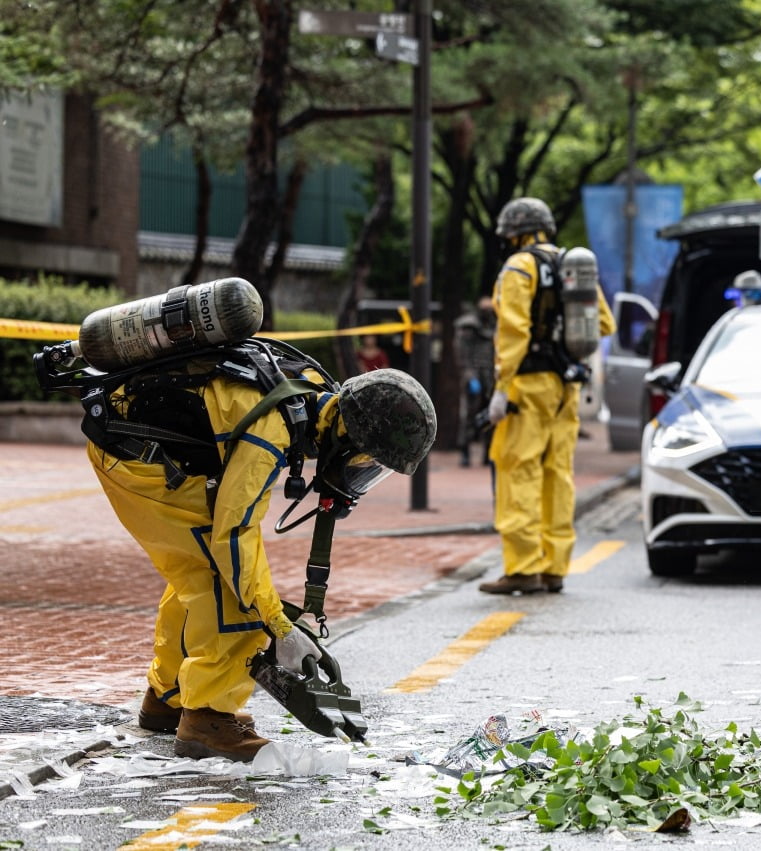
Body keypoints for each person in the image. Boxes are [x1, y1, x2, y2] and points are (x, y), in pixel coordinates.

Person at [86, 355, 436, 762]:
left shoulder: (312, 395)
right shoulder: (271, 433)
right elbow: (233, 536)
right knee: (231, 588)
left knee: (201, 572)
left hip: (132, 447)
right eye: (366, 460)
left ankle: (167, 698)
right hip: (137, 462)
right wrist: (277, 625)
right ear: (347, 435)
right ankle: (207, 719)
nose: (362, 473)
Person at [478, 197, 615, 595]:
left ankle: (522, 568)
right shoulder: (573, 265)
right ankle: (555, 567)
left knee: (519, 470)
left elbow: (514, 333)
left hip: (528, 386)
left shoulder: (520, 267)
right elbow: (604, 322)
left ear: (514, 234)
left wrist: (501, 390)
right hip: (566, 387)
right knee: (558, 474)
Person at [454, 296, 497, 467]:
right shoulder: (468, 326)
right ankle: (465, 452)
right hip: (474, 375)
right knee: (469, 415)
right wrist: (470, 375)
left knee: (490, 415)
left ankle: (488, 452)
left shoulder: (495, 324)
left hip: (491, 375)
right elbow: (462, 355)